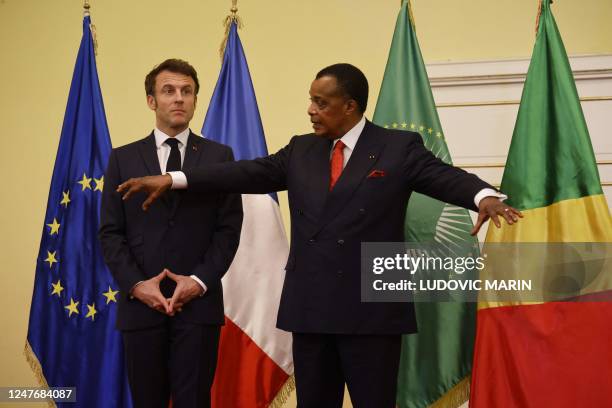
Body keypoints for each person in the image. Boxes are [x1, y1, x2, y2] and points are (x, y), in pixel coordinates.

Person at [117, 63, 522, 407]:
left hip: (371, 313)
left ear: (350, 107)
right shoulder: (302, 150)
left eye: (321, 102)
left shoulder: (397, 148)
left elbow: (443, 177)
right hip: (311, 311)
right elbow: (245, 172)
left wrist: (482, 195)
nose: (311, 110)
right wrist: (175, 178)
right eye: (311, 100)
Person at [98, 58, 243, 408]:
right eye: (168, 91)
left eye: (187, 91)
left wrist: (199, 280)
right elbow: (110, 232)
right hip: (141, 306)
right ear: (152, 101)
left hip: (198, 305)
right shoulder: (123, 158)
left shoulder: (219, 156)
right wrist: (136, 284)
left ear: (195, 99)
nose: (179, 98)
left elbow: (229, 229)